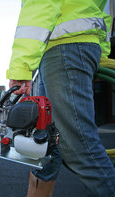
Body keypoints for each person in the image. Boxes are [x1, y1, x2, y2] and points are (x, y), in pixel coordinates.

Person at [7, 0, 115, 197]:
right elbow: (102, 12)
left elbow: (41, 4)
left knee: (80, 148)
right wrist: (101, 53)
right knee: (48, 144)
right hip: (73, 47)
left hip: (65, 47)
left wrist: (21, 66)